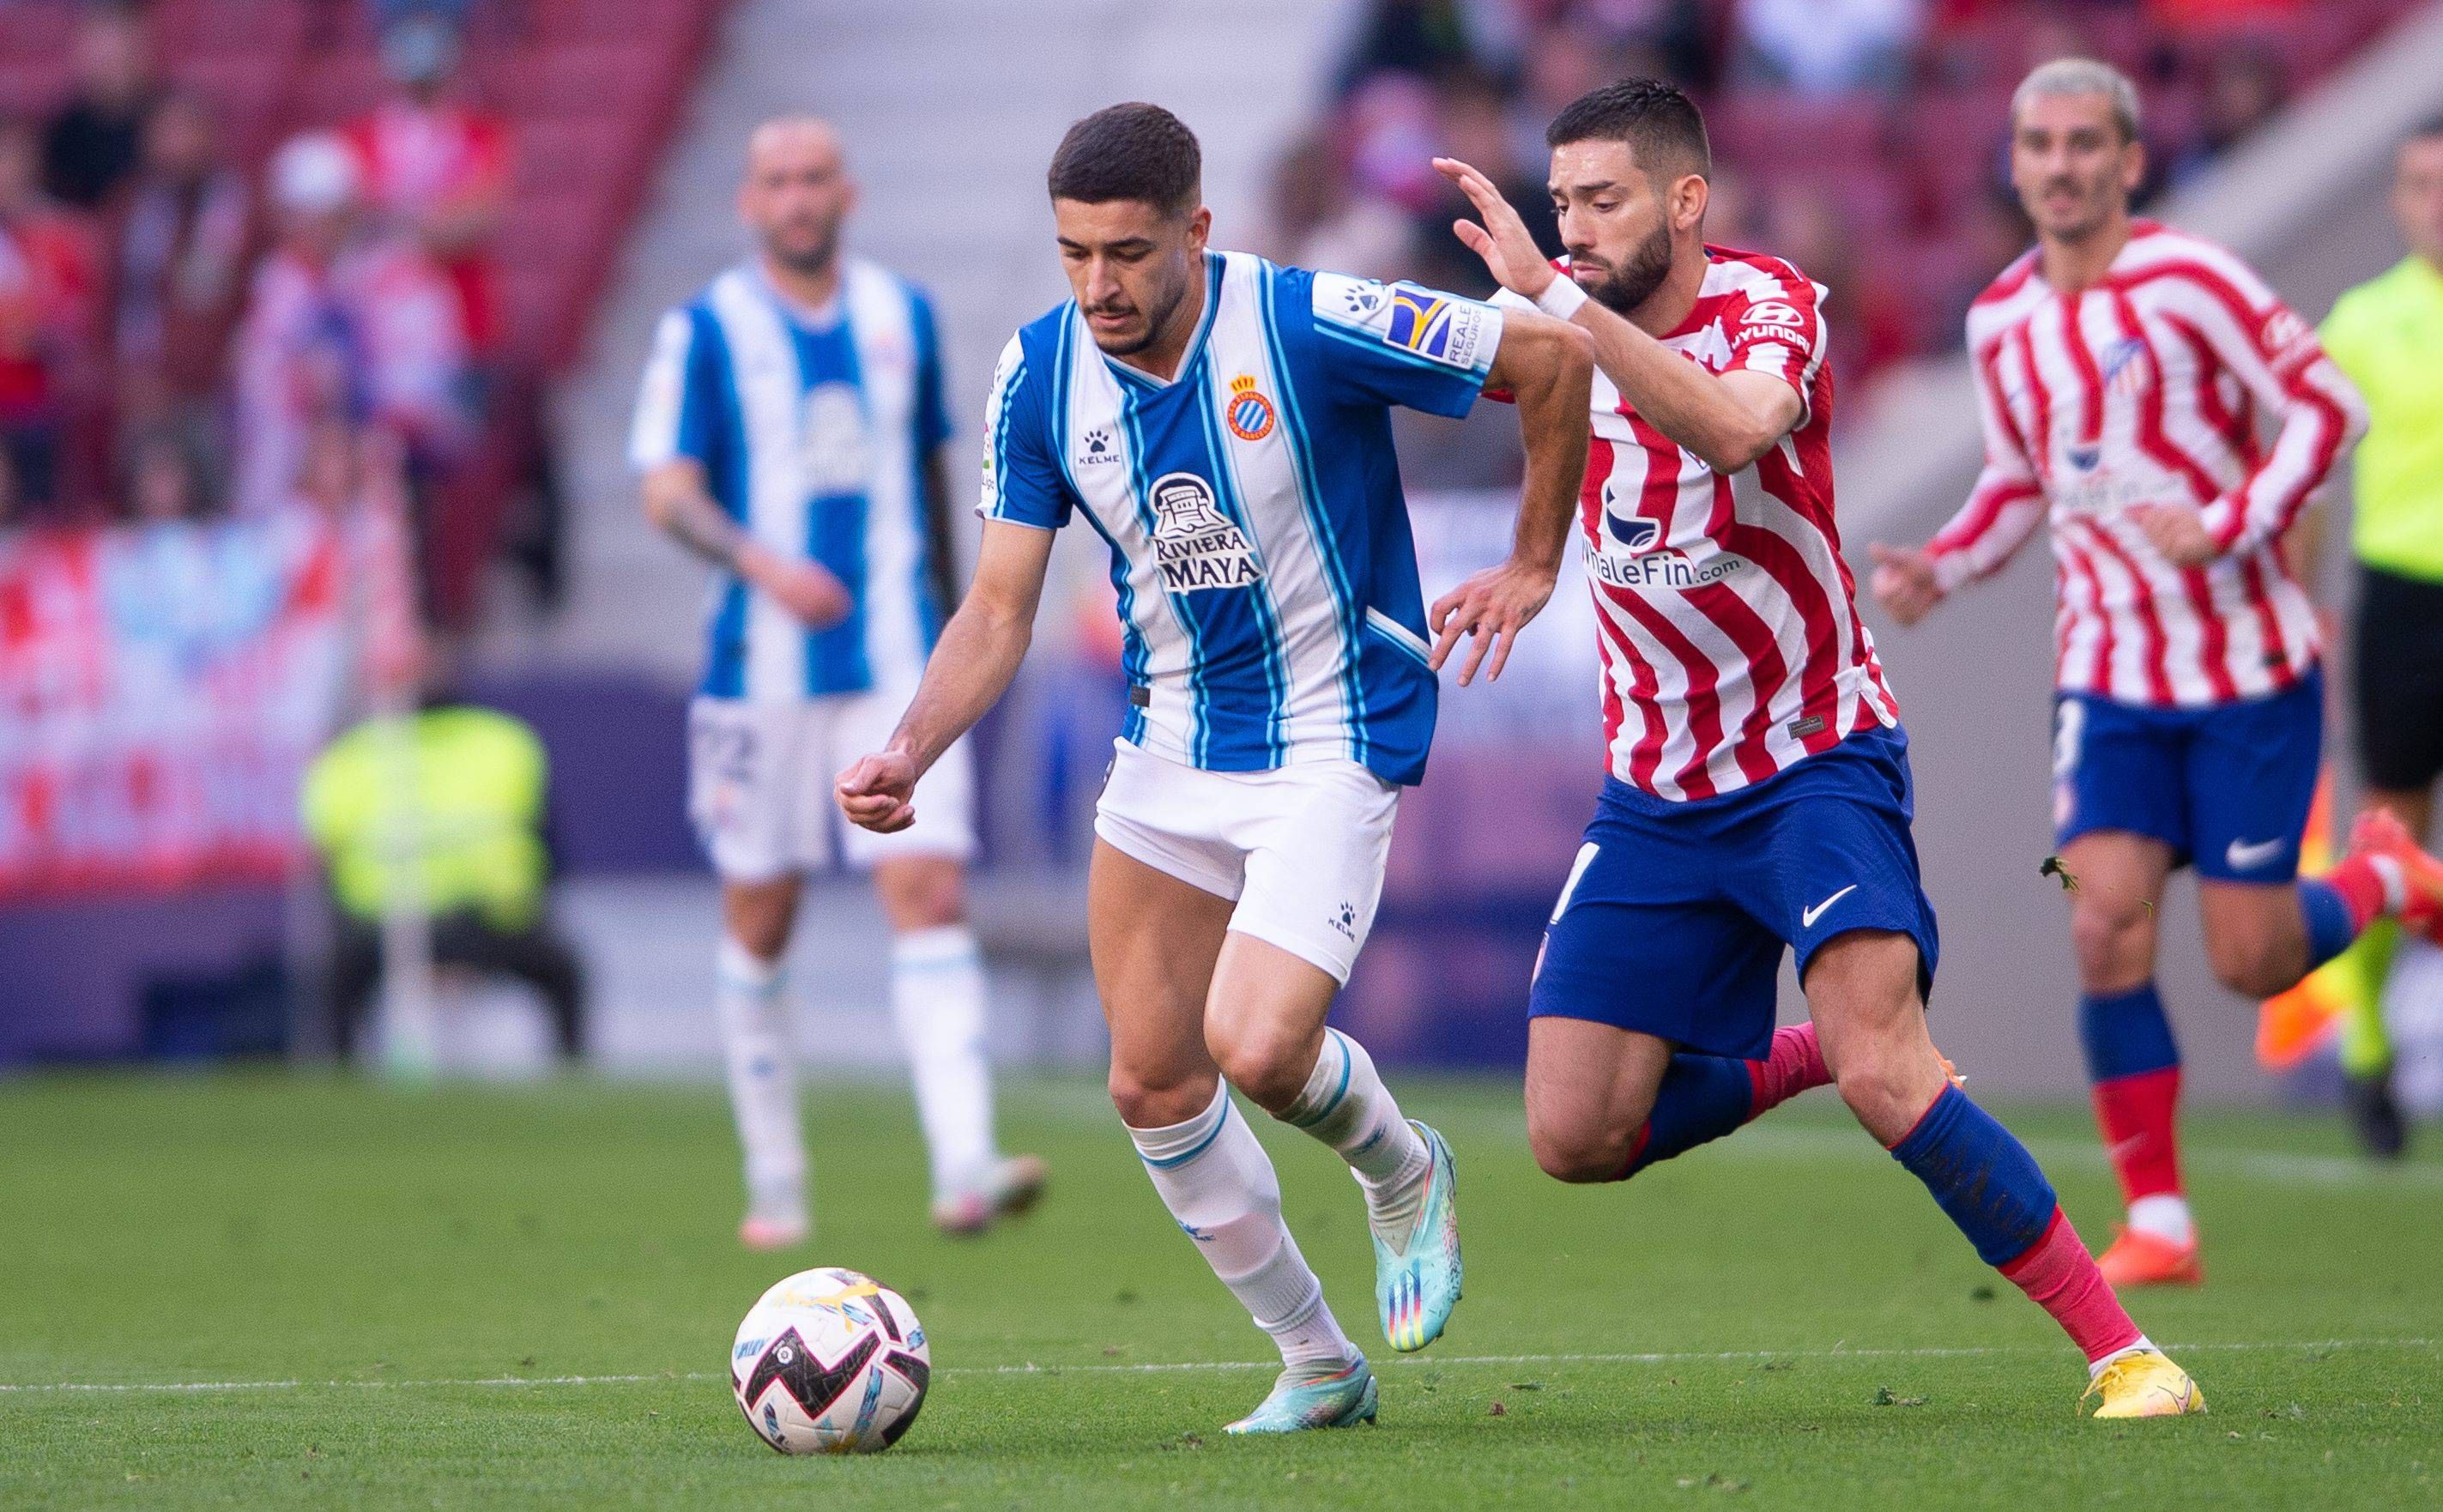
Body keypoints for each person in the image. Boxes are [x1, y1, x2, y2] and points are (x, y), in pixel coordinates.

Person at [1434, 75, 2201, 1418]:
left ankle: (2124, 1353)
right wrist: (1531, 559)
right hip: (1656, 790)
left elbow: (1731, 425)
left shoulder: (1766, 304)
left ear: (1685, 200)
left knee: (1889, 1070)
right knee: (1572, 1132)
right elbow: (1552, 409)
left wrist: (1557, 310)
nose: (1574, 230)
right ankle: (1797, 1054)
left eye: (1601, 201)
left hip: (1809, 756)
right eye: (1559, 205)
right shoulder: (1558, 323)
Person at [838, 102, 1593, 1433]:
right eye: (1073, 254)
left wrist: (1536, 559)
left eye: (1125, 252)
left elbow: (1545, 360)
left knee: (1256, 1042)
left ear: (1194, 227)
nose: (1098, 285)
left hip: (1330, 728)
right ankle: (1315, 1359)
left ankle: (1402, 1164)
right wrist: (910, 742)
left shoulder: (1305, 320)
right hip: (1171, 742)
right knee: (1150, 1079)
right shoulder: (1041, 374)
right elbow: (998, 608)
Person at [1868, 60, 2443, 1288]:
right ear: (2014, 163)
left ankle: (2381, 869)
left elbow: (2324, 408)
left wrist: (2231, 516)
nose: (2061, 164)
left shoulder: (2189, 281)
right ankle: (2158, 1219)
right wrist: (1945, 562)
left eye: (2086, 142)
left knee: (2245, 958)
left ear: (2127, 162)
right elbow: (2023, 473)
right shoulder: (1998, 319)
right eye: (2039, 143)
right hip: (2105, 678)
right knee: (2098, 916)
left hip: (2241, 667)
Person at [629, 117, 1044, 1249]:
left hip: (898, 663)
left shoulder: (898, 317)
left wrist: (968, 630)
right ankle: (774, 1177)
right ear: (747, 202)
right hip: (756, 674)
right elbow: (663, 488)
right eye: (777, 181)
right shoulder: (704, 329)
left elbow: (927, 471)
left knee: (927, 890)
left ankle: (963, 1160)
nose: (798, 198)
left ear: (845, 193)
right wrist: (760, 562)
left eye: (814, 178)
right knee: (760, 915)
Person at [2317, 113, 2443, 1157]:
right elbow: (2308, 466)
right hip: (2402, 595)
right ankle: (2366, 1039)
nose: (2434, 200)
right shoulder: (2363, 318)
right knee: (2392, 833)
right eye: (2418, 183)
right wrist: (2299, 599)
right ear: (2398, 199)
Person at [303, 686, 589, 1065]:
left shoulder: (349, 755)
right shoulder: (504, 741)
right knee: (563, 975)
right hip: (491, 925)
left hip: (382, 929)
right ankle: (571, 1074)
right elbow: (547, 847)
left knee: (336, 986)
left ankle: (341, 1085)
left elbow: (325, 858)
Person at [104, 92, 259, 466]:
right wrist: (123, 373)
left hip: (214, 393)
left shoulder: (237, 207)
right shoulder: (131, 206)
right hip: (141, 388)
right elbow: (110, 298)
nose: (177, 144)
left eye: (188, 131)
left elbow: (249, 299)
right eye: (166, 132)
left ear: (211, 136)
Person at [39, 3, 156, 211]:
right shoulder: (61, 134)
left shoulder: (166, 123)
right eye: (103, 57)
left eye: (121, 54)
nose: (111, 67)